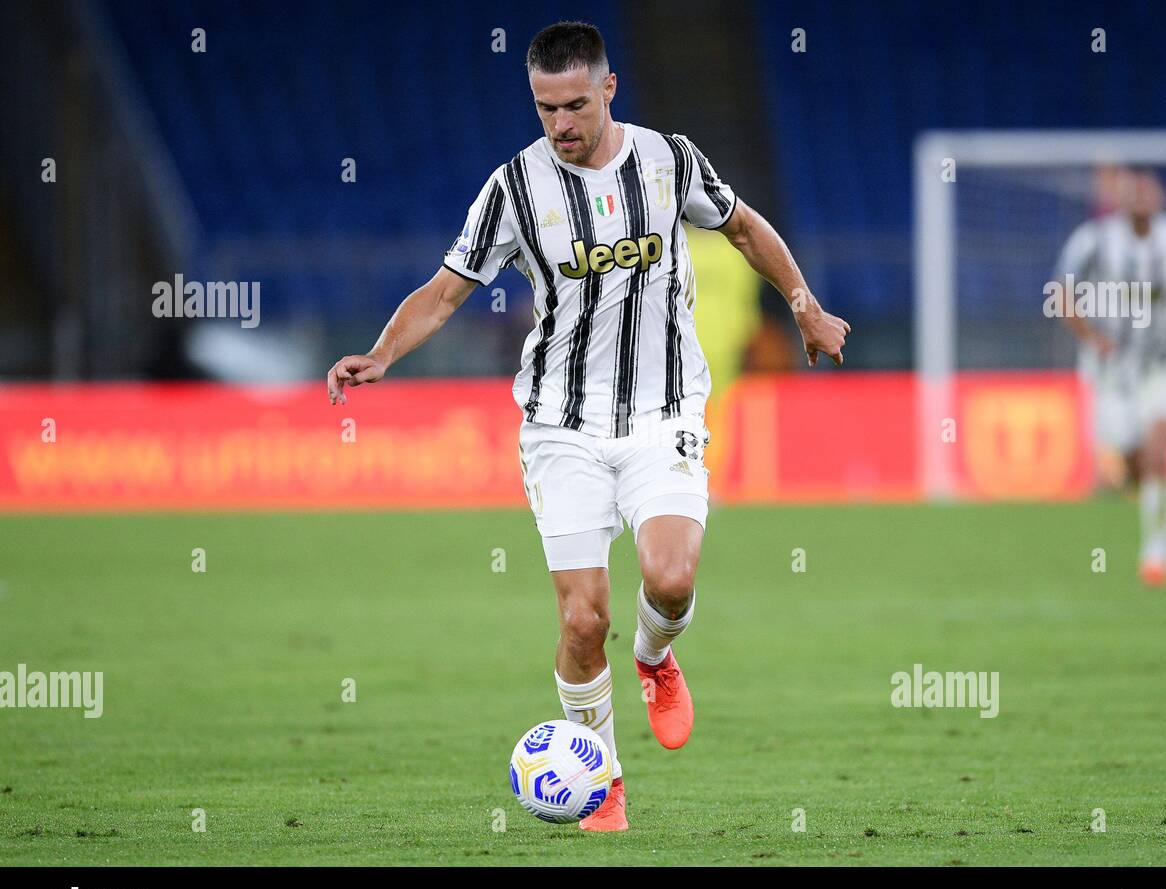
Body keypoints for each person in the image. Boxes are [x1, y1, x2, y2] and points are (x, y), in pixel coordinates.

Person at [326, 21, 850, 829]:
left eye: (575, 105)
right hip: (561, 425)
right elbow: (445, 289)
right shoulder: (513, 188)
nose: (561, 124)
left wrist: (805, 307)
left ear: (608, 89)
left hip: (663, 411)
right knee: (581, 619)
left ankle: (654, 657)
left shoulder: (670, 161)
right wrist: (382, 352)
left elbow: (744, 227)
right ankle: (603, 785)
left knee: (670, 579)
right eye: (545, 108)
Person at [1055, 168, 1166, 586]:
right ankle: (1144, 493)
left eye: (1148, 191)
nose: (1142, 197)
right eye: (1134, 191)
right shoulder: (1093, 240)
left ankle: (1157, 553)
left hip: (1163, 365)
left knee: (1158, 454)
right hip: (1113, 373)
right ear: (1120, 199)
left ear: (1161, 197)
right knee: (1134, 467)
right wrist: (1091, 336)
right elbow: (1060, 294)